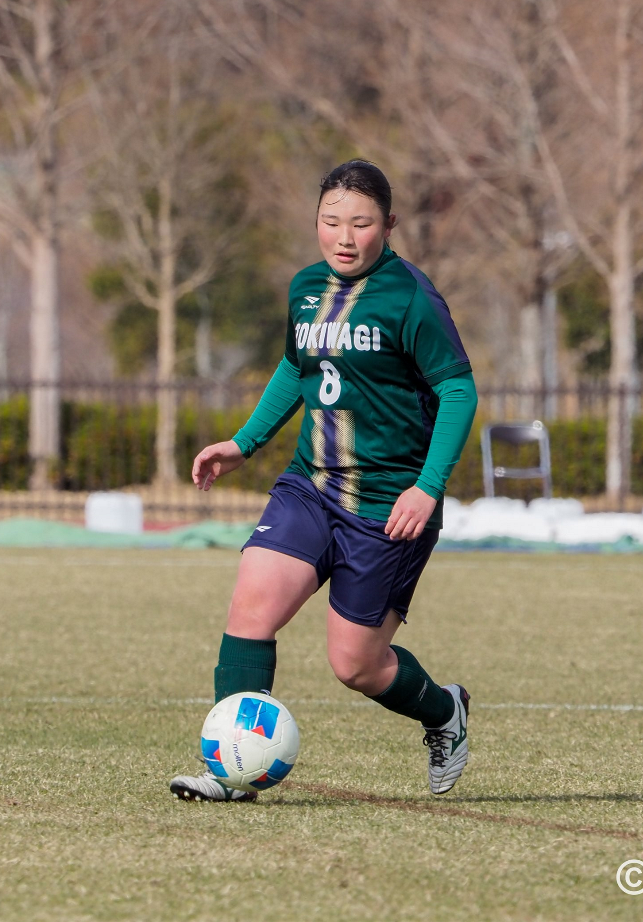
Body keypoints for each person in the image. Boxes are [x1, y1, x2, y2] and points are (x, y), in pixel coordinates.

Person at [170, 160, 478, 803]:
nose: (344, 236)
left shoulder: (412, 298)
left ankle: (444, 712)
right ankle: (233, 773)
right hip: (310, 485)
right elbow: (297, 367)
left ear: (388, 226)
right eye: (331, 221)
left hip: (389, 504)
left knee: (355, 665)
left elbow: (457, 390)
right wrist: (243, 443)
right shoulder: (306, 288)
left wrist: (426, 488)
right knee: (252, 604)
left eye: (361, 224)